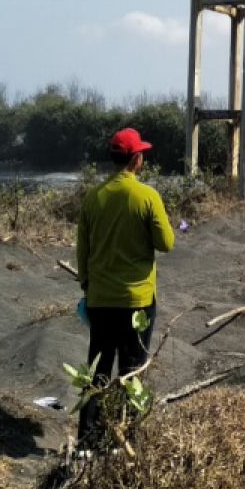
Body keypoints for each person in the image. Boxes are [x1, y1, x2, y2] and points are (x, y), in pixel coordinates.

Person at [75, 127, 175, 444]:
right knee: (132, 370)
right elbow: (167, 243)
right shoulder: (147, 196)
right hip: (138, 302)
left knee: (97, 370)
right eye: (141, 153)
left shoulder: (94, 197)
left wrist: (87, 286)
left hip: (101, 300)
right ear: (136, 160)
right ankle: (126, 438)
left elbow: (83, 251)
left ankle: (87, 441)